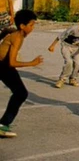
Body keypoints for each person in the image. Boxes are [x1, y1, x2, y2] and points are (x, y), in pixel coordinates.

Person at [0, 9, 43, 138]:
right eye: (31, 25)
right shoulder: (17, 37)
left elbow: (6, 32)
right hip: (3, 66)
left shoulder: (16, 33)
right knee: (21, 93)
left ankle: (3, 123)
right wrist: (32, 63)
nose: (33, 28)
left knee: (20, 93)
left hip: (3, 65)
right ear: (22, 26)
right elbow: (12, 63)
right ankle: (3, 124)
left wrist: (4, 35)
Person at [48, 11, 79, 88]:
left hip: (77, 49)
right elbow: (60, 36)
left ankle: (73, 78)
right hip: (66, 47)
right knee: (69, 62)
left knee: (78, 64)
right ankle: (62, 79)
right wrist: (52, 45)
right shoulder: (73, 28)